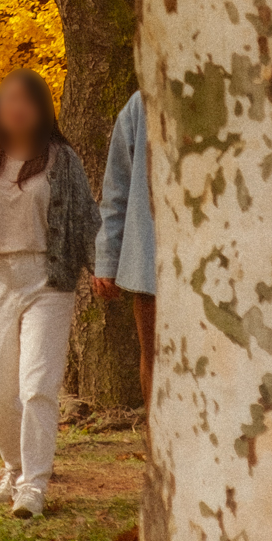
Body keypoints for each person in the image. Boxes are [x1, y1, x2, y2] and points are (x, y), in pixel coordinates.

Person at [0, 69, 99, 520]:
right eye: (8, 99)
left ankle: (34, 484)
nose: (17, 107)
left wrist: (102, 268)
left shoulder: (61, 159)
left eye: (26, 100)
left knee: (37, 385)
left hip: (46, 280)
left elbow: (86, 218)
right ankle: (12, 468)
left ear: (42, 108)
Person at [92, 88, 156, 411]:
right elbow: (116, 187)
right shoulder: (141, 104)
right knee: (156, 358)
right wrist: (106, 259)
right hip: (151, 261)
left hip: (223, 264)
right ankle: (159, 447)